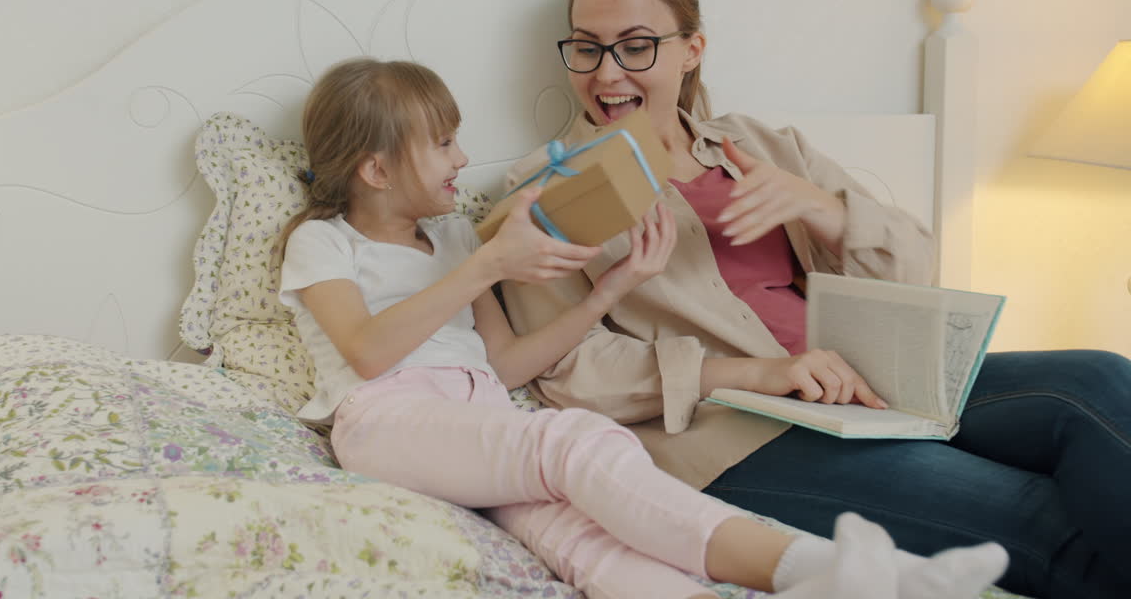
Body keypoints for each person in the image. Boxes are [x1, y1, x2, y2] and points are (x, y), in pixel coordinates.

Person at [500, 0, 1131, 599]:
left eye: (635, 46)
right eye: (587, 48)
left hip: (868, 381)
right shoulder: (545, 195)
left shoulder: (763, 146)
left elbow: (917, 268)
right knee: (1041, 516)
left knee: (1097, 378)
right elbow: (566, 373)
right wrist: (753, 373)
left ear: (692, 50)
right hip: (741, 435)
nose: (607, 73)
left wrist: (824, 210)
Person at [276, 57, 1006, 599]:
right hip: (388, 420)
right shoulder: (323, 241)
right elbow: (366, 352)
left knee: (583, 539)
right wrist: (488, 263)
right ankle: (833, 568)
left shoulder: (456, 240)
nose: (461, 159)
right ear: (376, 170)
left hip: (481, 415)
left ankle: (838, 587)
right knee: (575, 442)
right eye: (442, 144)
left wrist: (611, 290)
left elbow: (505, 367)